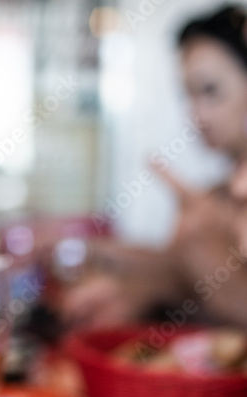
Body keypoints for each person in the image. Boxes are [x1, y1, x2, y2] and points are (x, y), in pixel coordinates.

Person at [60, 5, 247, 330]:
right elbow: (180, 277)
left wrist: (207, 256)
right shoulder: (216, 196)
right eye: (187, 94)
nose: (196, 113)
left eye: (210, 90)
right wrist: (130, 290)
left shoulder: (211, 205)